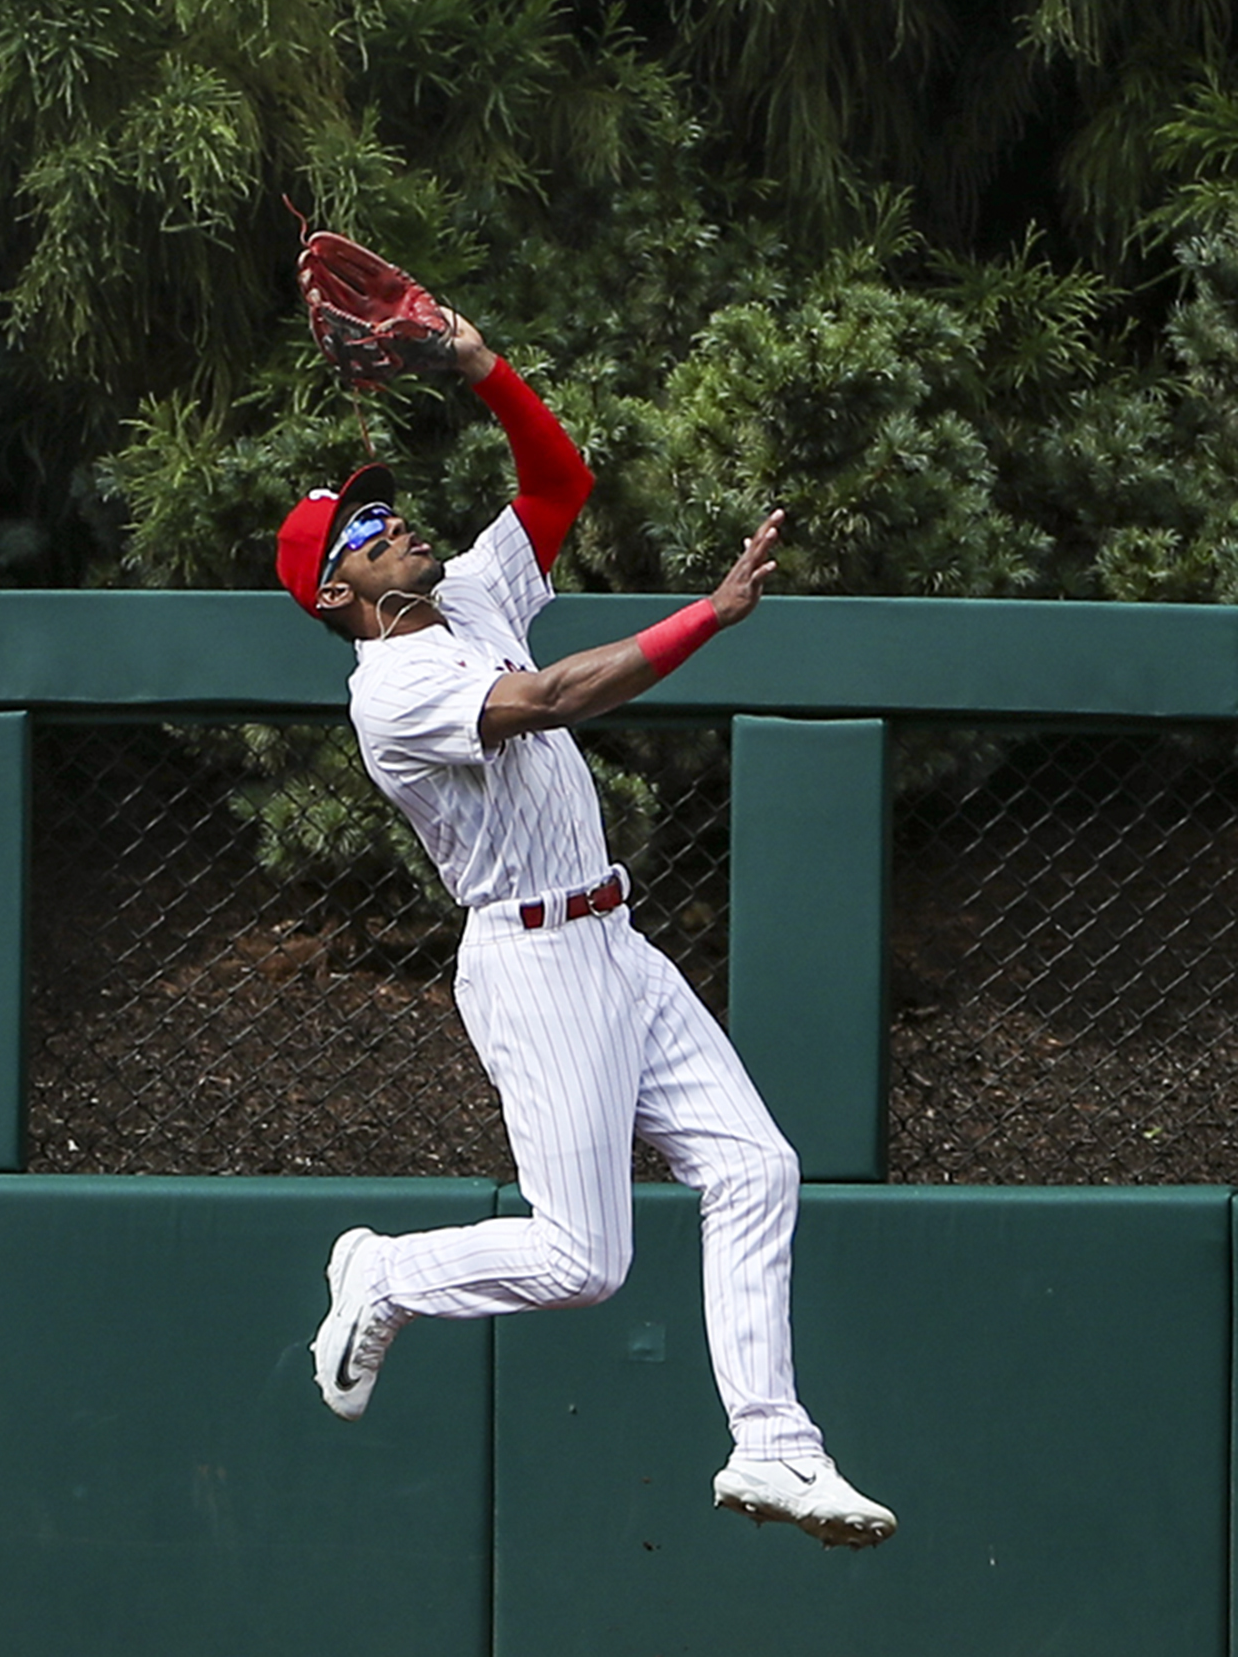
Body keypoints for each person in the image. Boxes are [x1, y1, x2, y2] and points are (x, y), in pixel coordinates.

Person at [273, 308, 896, 1550]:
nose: (389, 521)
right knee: (580, 1259)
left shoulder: (467, 597)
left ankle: (771, 1445)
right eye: (362, 528)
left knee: (755, 1168)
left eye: (381, 507)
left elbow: (560, 479)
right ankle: (385, 1273)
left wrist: (479, 366)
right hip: (531, 957)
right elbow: (554, 695)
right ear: (336, 592)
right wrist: (704, 618)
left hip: (613, 939)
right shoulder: (390, 692)